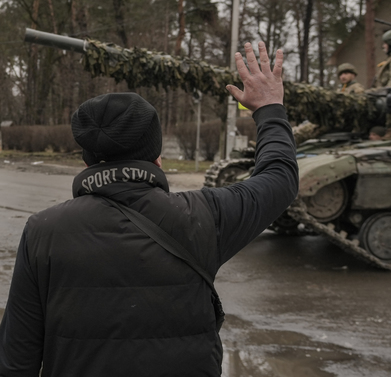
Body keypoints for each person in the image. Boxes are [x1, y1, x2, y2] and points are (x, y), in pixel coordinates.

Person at [0, 42, 299, 376]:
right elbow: (279, 179)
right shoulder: (204, 216)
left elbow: (17, 356)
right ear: (157, 157)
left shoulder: (43, 230)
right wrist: (269, 108)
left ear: (85, 159)